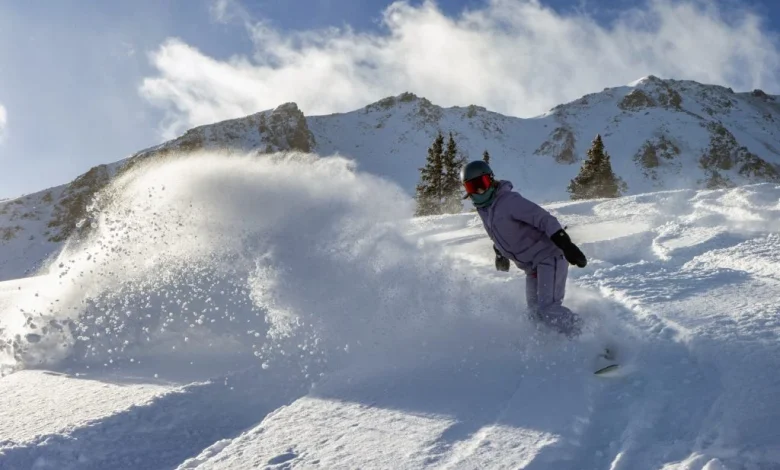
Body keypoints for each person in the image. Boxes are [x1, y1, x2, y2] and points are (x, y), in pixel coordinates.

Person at [460, 160, 588, 337]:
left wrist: (566, 244)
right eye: (471, 187)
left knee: (549, 309)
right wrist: (500, 253)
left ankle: (592, 339)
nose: (478, 191)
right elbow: (500, 232)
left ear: (491, 180)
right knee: (535, 314)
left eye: (481, 185)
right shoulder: (485, 210)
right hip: (531, 267)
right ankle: (554, 347)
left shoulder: (509, 201)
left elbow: (544, 219)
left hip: (548, 256)